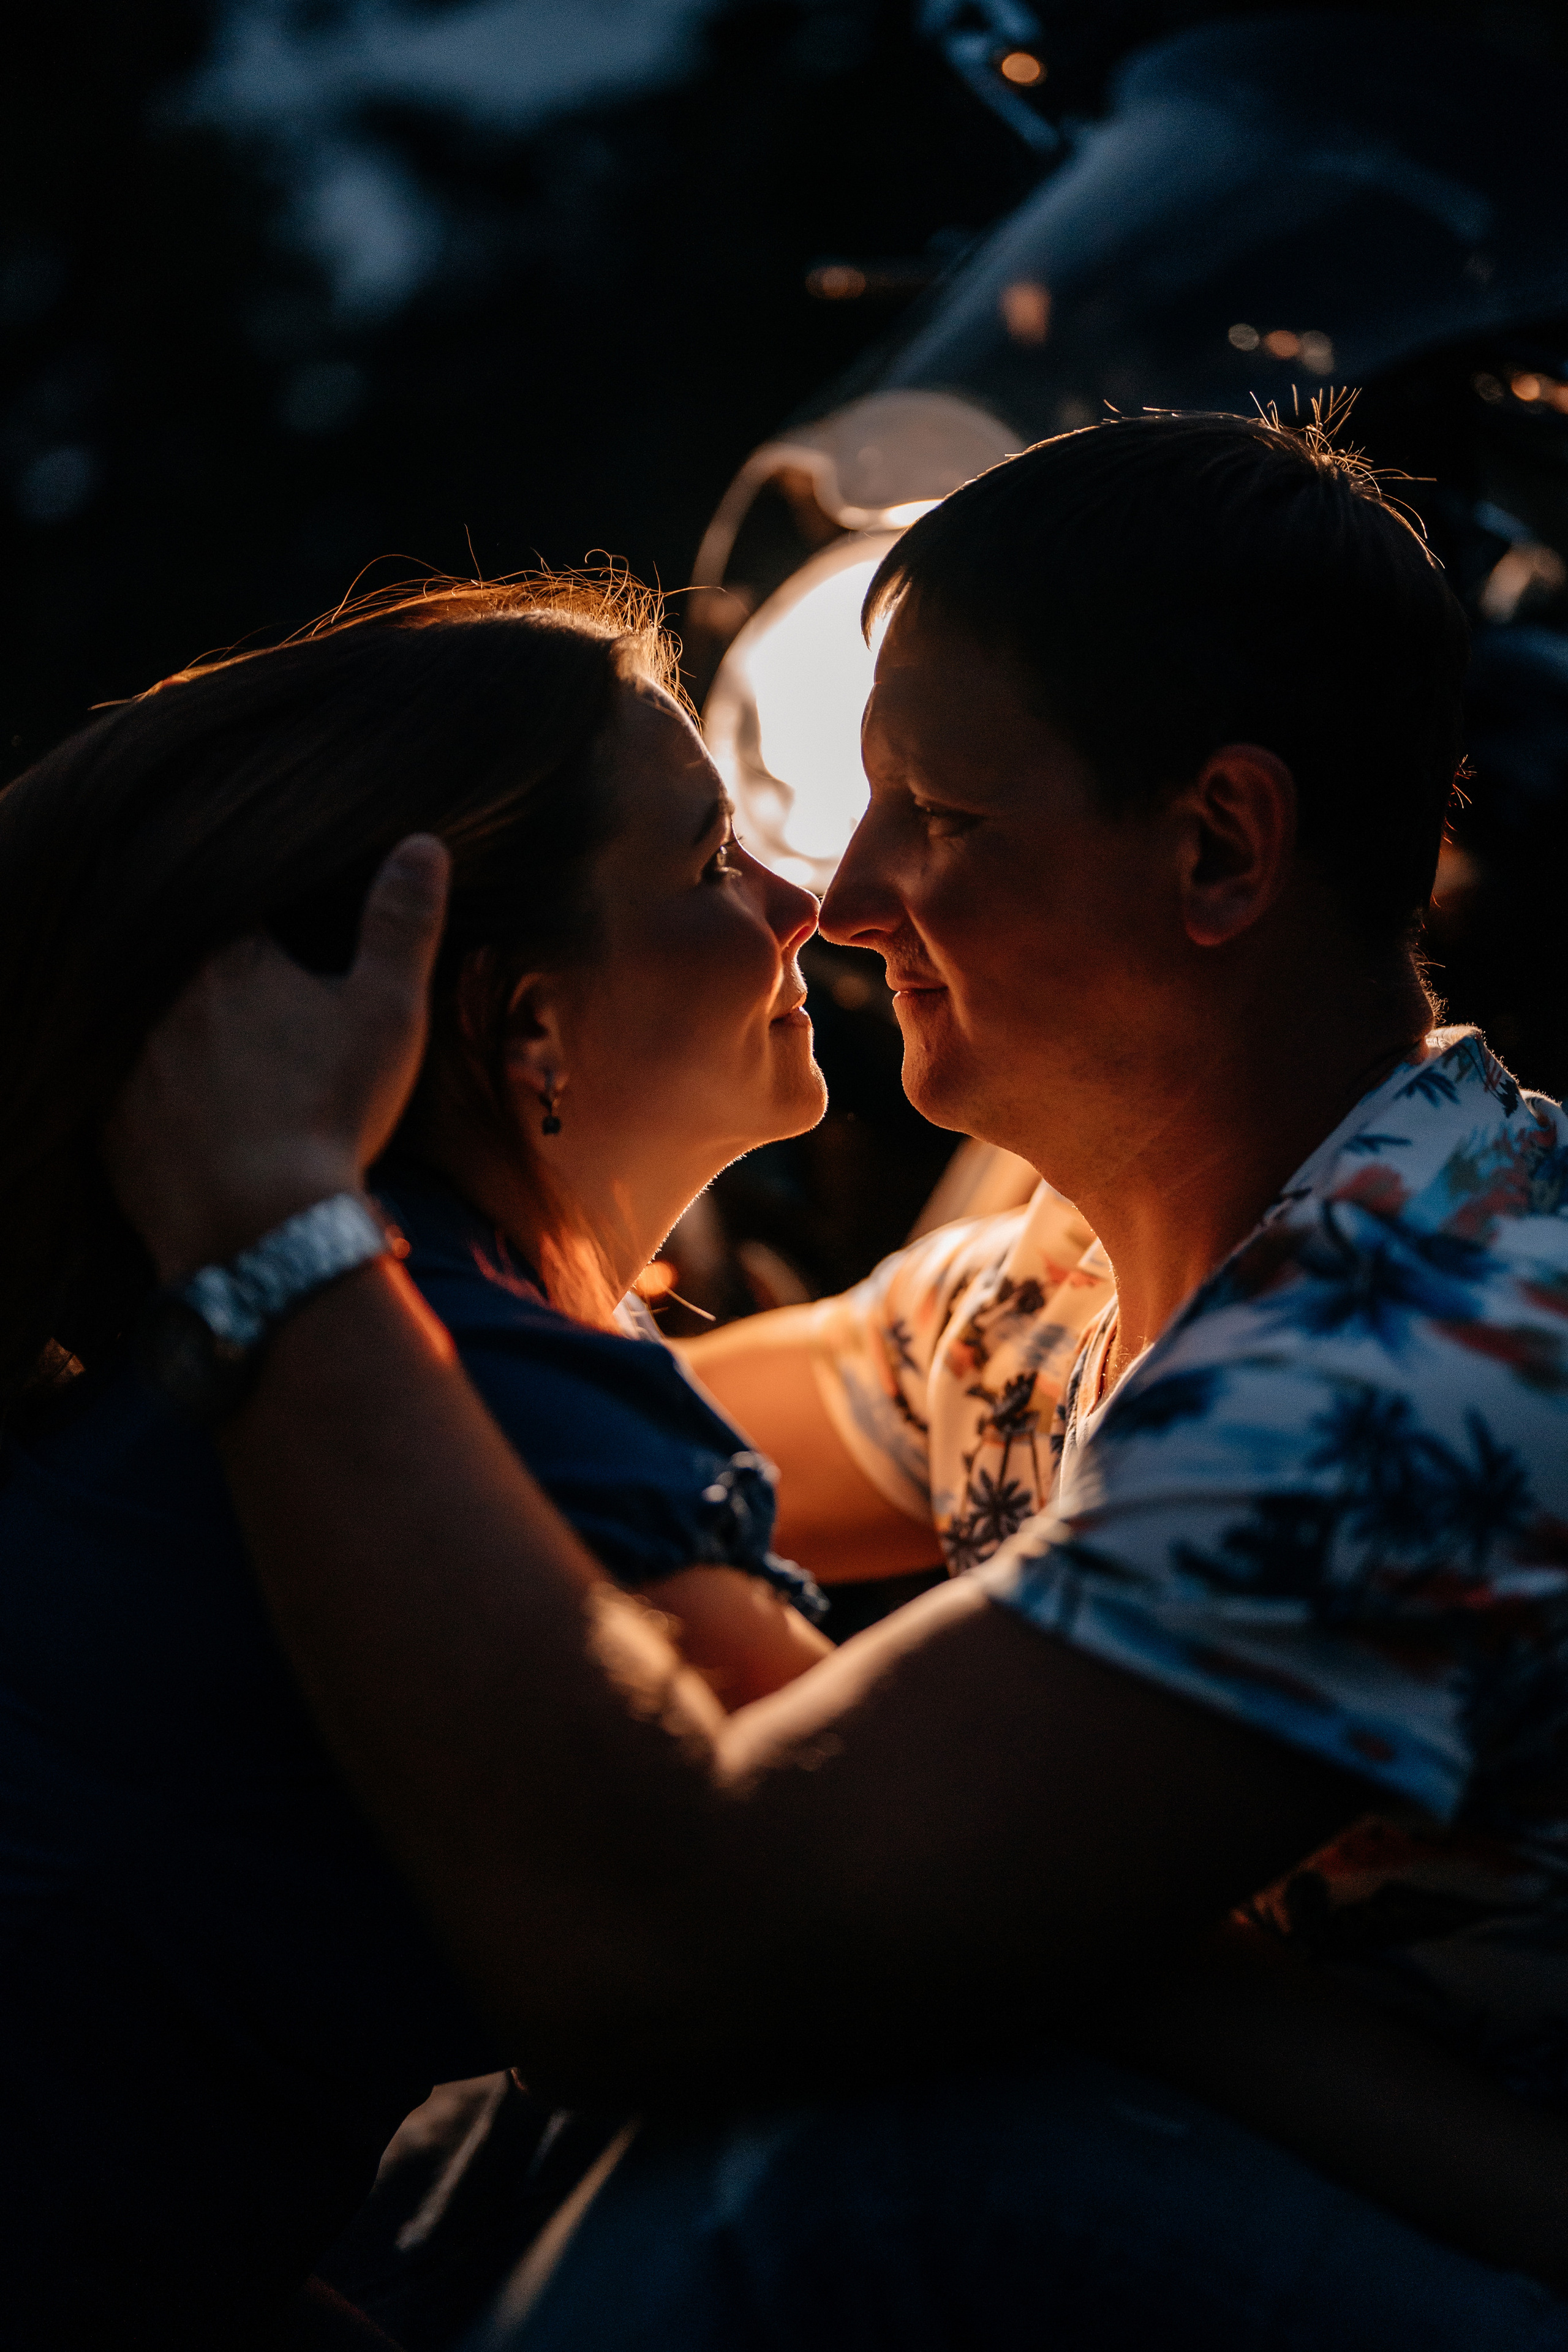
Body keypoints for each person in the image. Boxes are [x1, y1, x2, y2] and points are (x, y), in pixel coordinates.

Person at [104, 414, 1568, 2346]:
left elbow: (675, 1943)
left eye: (937, 820)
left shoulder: (1429, 1352)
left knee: (841, 2182)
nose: (845, 897)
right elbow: (580, 1463)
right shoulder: (1048, 1295)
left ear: (1219, 846)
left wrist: (276, 1232)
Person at [0, 575, 840, 2348]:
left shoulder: (215, 1354)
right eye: (708, 871)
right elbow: (907, 1904)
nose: (801, 905)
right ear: (521, 1027)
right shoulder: (488, 1390)